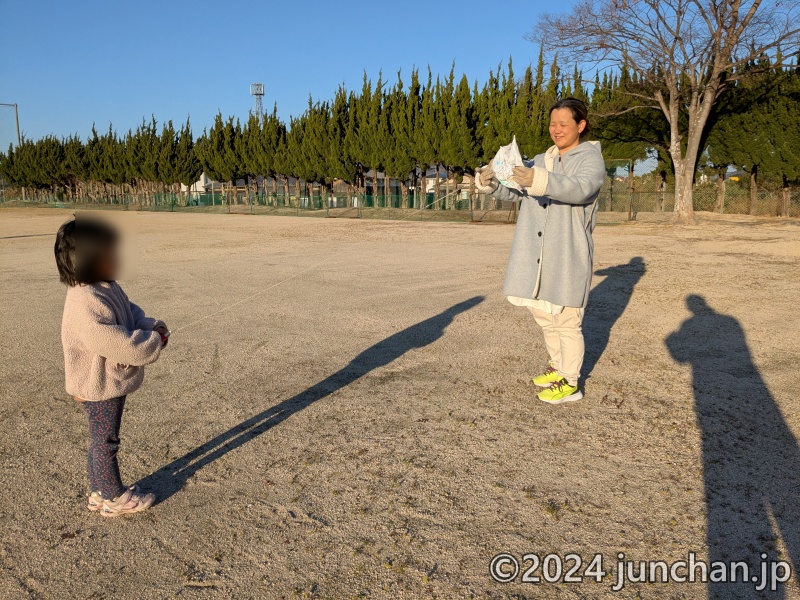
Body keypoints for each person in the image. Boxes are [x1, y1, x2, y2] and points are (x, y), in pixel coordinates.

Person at [476, 98, 605, 404]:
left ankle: (570, 382)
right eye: (552, 124)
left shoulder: (590, 160)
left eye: (563, 124)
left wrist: (540, 179)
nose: (556, 130)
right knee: (543, 314)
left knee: (567, 319)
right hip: (536, 251)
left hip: (567, 251)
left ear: (580, 125)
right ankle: (557, 366)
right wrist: (492, 182)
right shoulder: (540, 159)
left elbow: (580, 188)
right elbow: (517, 190)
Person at [55, 216, 169, 516]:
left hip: (107, 380)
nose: (117, 258)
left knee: (99, 440)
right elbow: (114, 341)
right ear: (89, 260)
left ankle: (98, 491)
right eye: (110, 253)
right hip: (99, 384)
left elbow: (129, 314)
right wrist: (151, 342)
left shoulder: (107, 287)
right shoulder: (84, 298)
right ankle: (114, 497)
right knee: (106, 442)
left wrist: (151, 326)